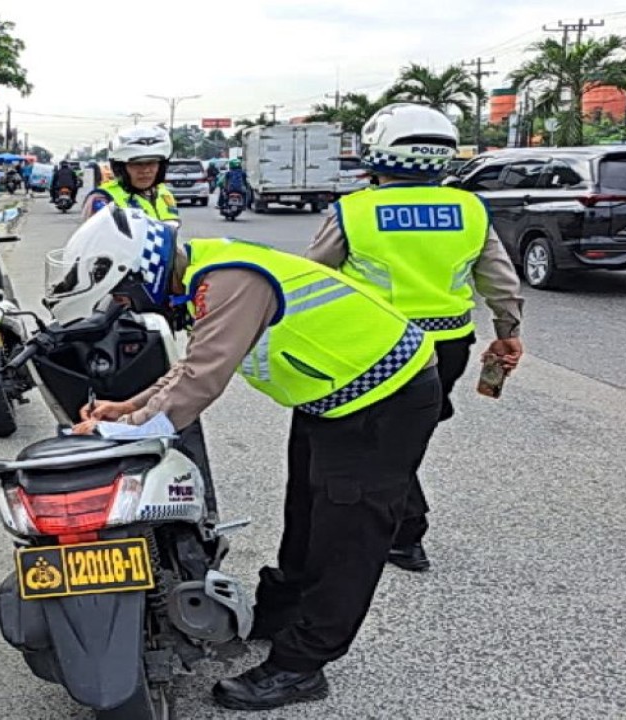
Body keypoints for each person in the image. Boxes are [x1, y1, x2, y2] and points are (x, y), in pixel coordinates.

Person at [67, 206, 443, 710]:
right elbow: (193, 364)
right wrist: (128, 406)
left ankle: (303, 665)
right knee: (306, 516)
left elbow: (203, 380)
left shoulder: (230, 280)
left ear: (142, 270)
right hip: (332, 397)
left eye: (122, 294)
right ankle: (282, 613)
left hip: (384, 399)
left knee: (347, 535)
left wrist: (119, 431)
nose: (124, 305)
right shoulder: (208, 274)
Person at [306, 103, 525, 572]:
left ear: (376, 154)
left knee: (373, 441)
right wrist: (508, 332)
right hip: (447, 348)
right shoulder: (468, 208)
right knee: (406, 437)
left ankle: (402, 532)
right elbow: (500, 281)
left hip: (374, 346)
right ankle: (403, 532)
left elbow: (314, 276)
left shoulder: (356, 211)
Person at [82, 126, 180, 225]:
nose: (145, 170)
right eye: (137, 164)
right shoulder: (103, 198)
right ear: (120, 168)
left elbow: (170, 237)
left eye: (151, 163)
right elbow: (96, 238)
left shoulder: (164, 193)